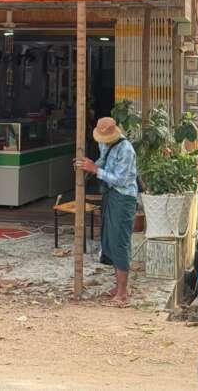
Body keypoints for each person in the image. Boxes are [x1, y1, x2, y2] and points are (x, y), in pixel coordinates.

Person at [75, 116, 138, 306]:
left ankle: (122, 292)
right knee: (109, 239)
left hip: (123, 197)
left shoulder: (126, 149)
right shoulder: (104, 144)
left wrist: (95, 169)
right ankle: (118, 286)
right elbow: (103, 161)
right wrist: (89, 165)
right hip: (110, 194)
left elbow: (120, 180)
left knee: (119, 241)